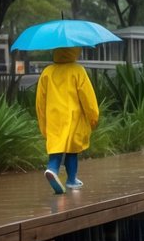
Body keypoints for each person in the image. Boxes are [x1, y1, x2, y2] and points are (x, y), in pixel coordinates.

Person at [35, 46, 100, 194]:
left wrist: (42, 122)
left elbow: (40, 101)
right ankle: (71, 179)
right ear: (75, 51)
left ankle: (52, 169)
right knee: (72, 149)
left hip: (53, 118)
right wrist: (93, 117)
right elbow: (88, 98)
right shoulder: (77, 71)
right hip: (73, 118)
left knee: (56, 146)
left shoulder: (47, 72)